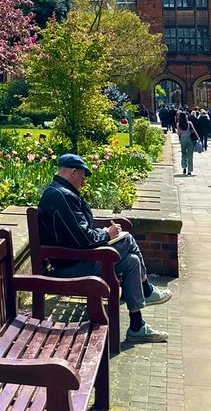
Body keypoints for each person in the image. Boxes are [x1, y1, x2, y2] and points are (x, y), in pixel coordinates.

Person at [38, 153, 169, 343]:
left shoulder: (60, 192)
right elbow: (83, 237)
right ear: (73, 172)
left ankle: (136, 326)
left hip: (75, 259)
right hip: (71, 268)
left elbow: (78, 231)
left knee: (131, 262)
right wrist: (108, 234)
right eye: (83, 176)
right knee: (128, 240)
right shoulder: (62, 196)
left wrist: (106, 232)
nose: (84, 182)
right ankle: (146, 289)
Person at [176, 110, 200, 176]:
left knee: (183, 154)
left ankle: (184, 167)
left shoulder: (178, 124)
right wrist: (198, 138)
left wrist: (177, 131)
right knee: (190, 155)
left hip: (182, 139)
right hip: (189, 139)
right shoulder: (189, 123)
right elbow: (194, 131)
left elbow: (179, 133)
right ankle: (189, 170)